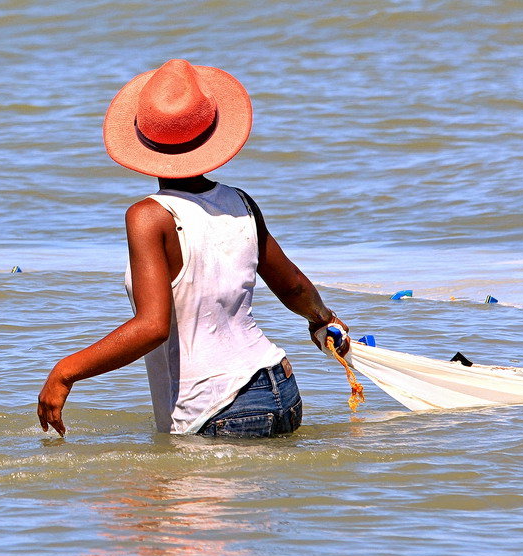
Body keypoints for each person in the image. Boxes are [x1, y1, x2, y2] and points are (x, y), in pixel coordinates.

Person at [37, 59, 352, 438]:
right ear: (211, 133)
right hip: (280, 386)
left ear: (144, 139)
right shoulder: (241, 202)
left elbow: (152, 327)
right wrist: (323, 320)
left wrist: (65, 371)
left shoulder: (148, 216)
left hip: (216, 406)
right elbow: (293, 287)